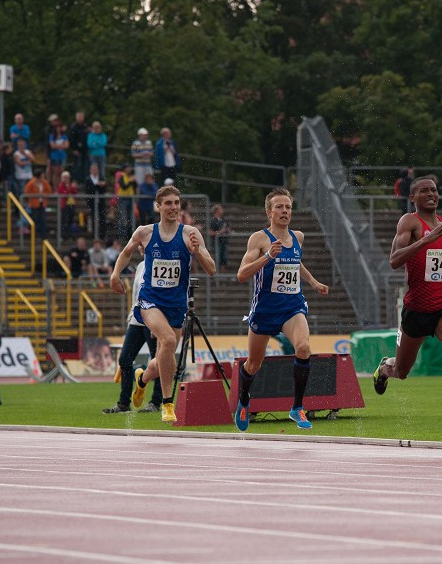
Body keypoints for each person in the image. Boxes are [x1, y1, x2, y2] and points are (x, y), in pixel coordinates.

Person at [371, 175, 442, 442]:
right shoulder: (409, 222)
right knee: (403, 372)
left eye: (434, 190)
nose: (431, 194)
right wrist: (424, 240)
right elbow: (395, 260)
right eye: (424, 191)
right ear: (413, 198)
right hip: (417, 308)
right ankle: (385, 367)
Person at [109, 185, 216, 423]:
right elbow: (126, 253)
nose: (173, 207)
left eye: (177, 203)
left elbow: (211, 269)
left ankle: (142, 379)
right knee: (167, 341)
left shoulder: (191, 234)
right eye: (168, 203)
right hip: (149, 301)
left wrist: (197, 252)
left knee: (165, 358)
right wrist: (115, 274)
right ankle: (168, 403)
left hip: (175, 304)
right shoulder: (145, 232)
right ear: (159, 206)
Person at [234, 188, 330, 432]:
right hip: (265, 310)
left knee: (304, 347)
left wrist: (313, 282)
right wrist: (267, 256)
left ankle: (297, 407)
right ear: (269, 212)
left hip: (292, 307)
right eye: (279, 207)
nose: (285, 211)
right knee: (254, 364)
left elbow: (295, 263)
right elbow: (242, 275)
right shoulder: (259, 239)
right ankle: (244, 402)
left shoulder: (298, 237)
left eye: (288, 207)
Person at [103, 259, 164, 414]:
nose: (141, 247)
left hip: (153, 321)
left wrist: (158, 323)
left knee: (158, 361)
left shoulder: (160, 263)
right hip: (137, 320)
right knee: (124, 359)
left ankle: (156, 402)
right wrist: (131, 316)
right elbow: (137, 295)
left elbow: (161, 295)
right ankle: (123, 404)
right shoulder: (141, 265)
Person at [207, 203, 231, 272]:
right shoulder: (213, 221)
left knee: (224, 258)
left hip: (224, 241)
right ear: (217, 210)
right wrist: (220, 232)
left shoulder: (223, 220)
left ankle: (222, 273)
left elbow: (228, 228)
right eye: (220, 209)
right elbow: (210, 232)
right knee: (217, 258)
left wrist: (227, 230)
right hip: (217, 243)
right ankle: (216, 273)